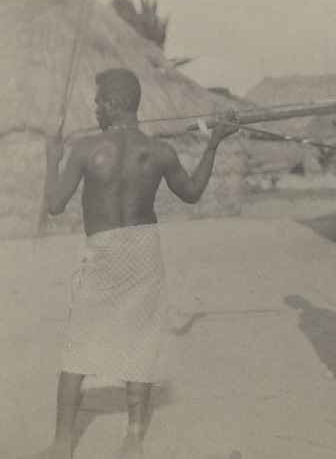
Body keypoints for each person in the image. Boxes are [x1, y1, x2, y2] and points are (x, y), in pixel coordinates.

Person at [32, 68, 239, 459]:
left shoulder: (85, 150)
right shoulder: (159, 152)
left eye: (98, 101)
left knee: (77, 347)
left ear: (113, 103)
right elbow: (193, 192)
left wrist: (51, 159)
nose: (95, 108)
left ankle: (61, 445)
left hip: (102, 251)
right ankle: (133, 441)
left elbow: (55, 204)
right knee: (140, 346)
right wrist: (213, 145)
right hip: (142, 251)